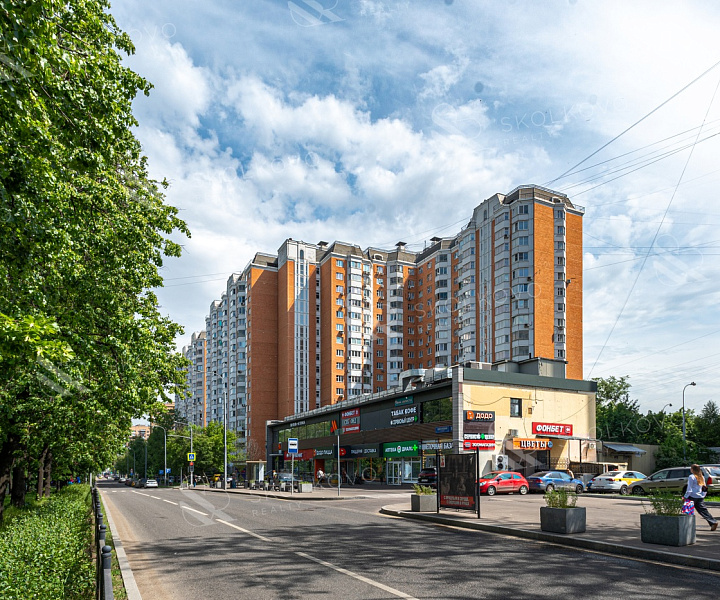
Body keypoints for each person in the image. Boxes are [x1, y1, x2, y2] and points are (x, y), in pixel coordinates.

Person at [685, 464, 718, 531]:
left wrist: (685, 496)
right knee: (703, 511)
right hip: (700, 496)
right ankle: (713, 522)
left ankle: (687, 527)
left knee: (688, 511)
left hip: (692, 496)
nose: (690, 469)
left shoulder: (691, 476)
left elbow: (689, 489)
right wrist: (703, 495)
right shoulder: (701, 476)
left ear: (693, 469)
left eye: (691, 468)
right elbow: (704, 487)